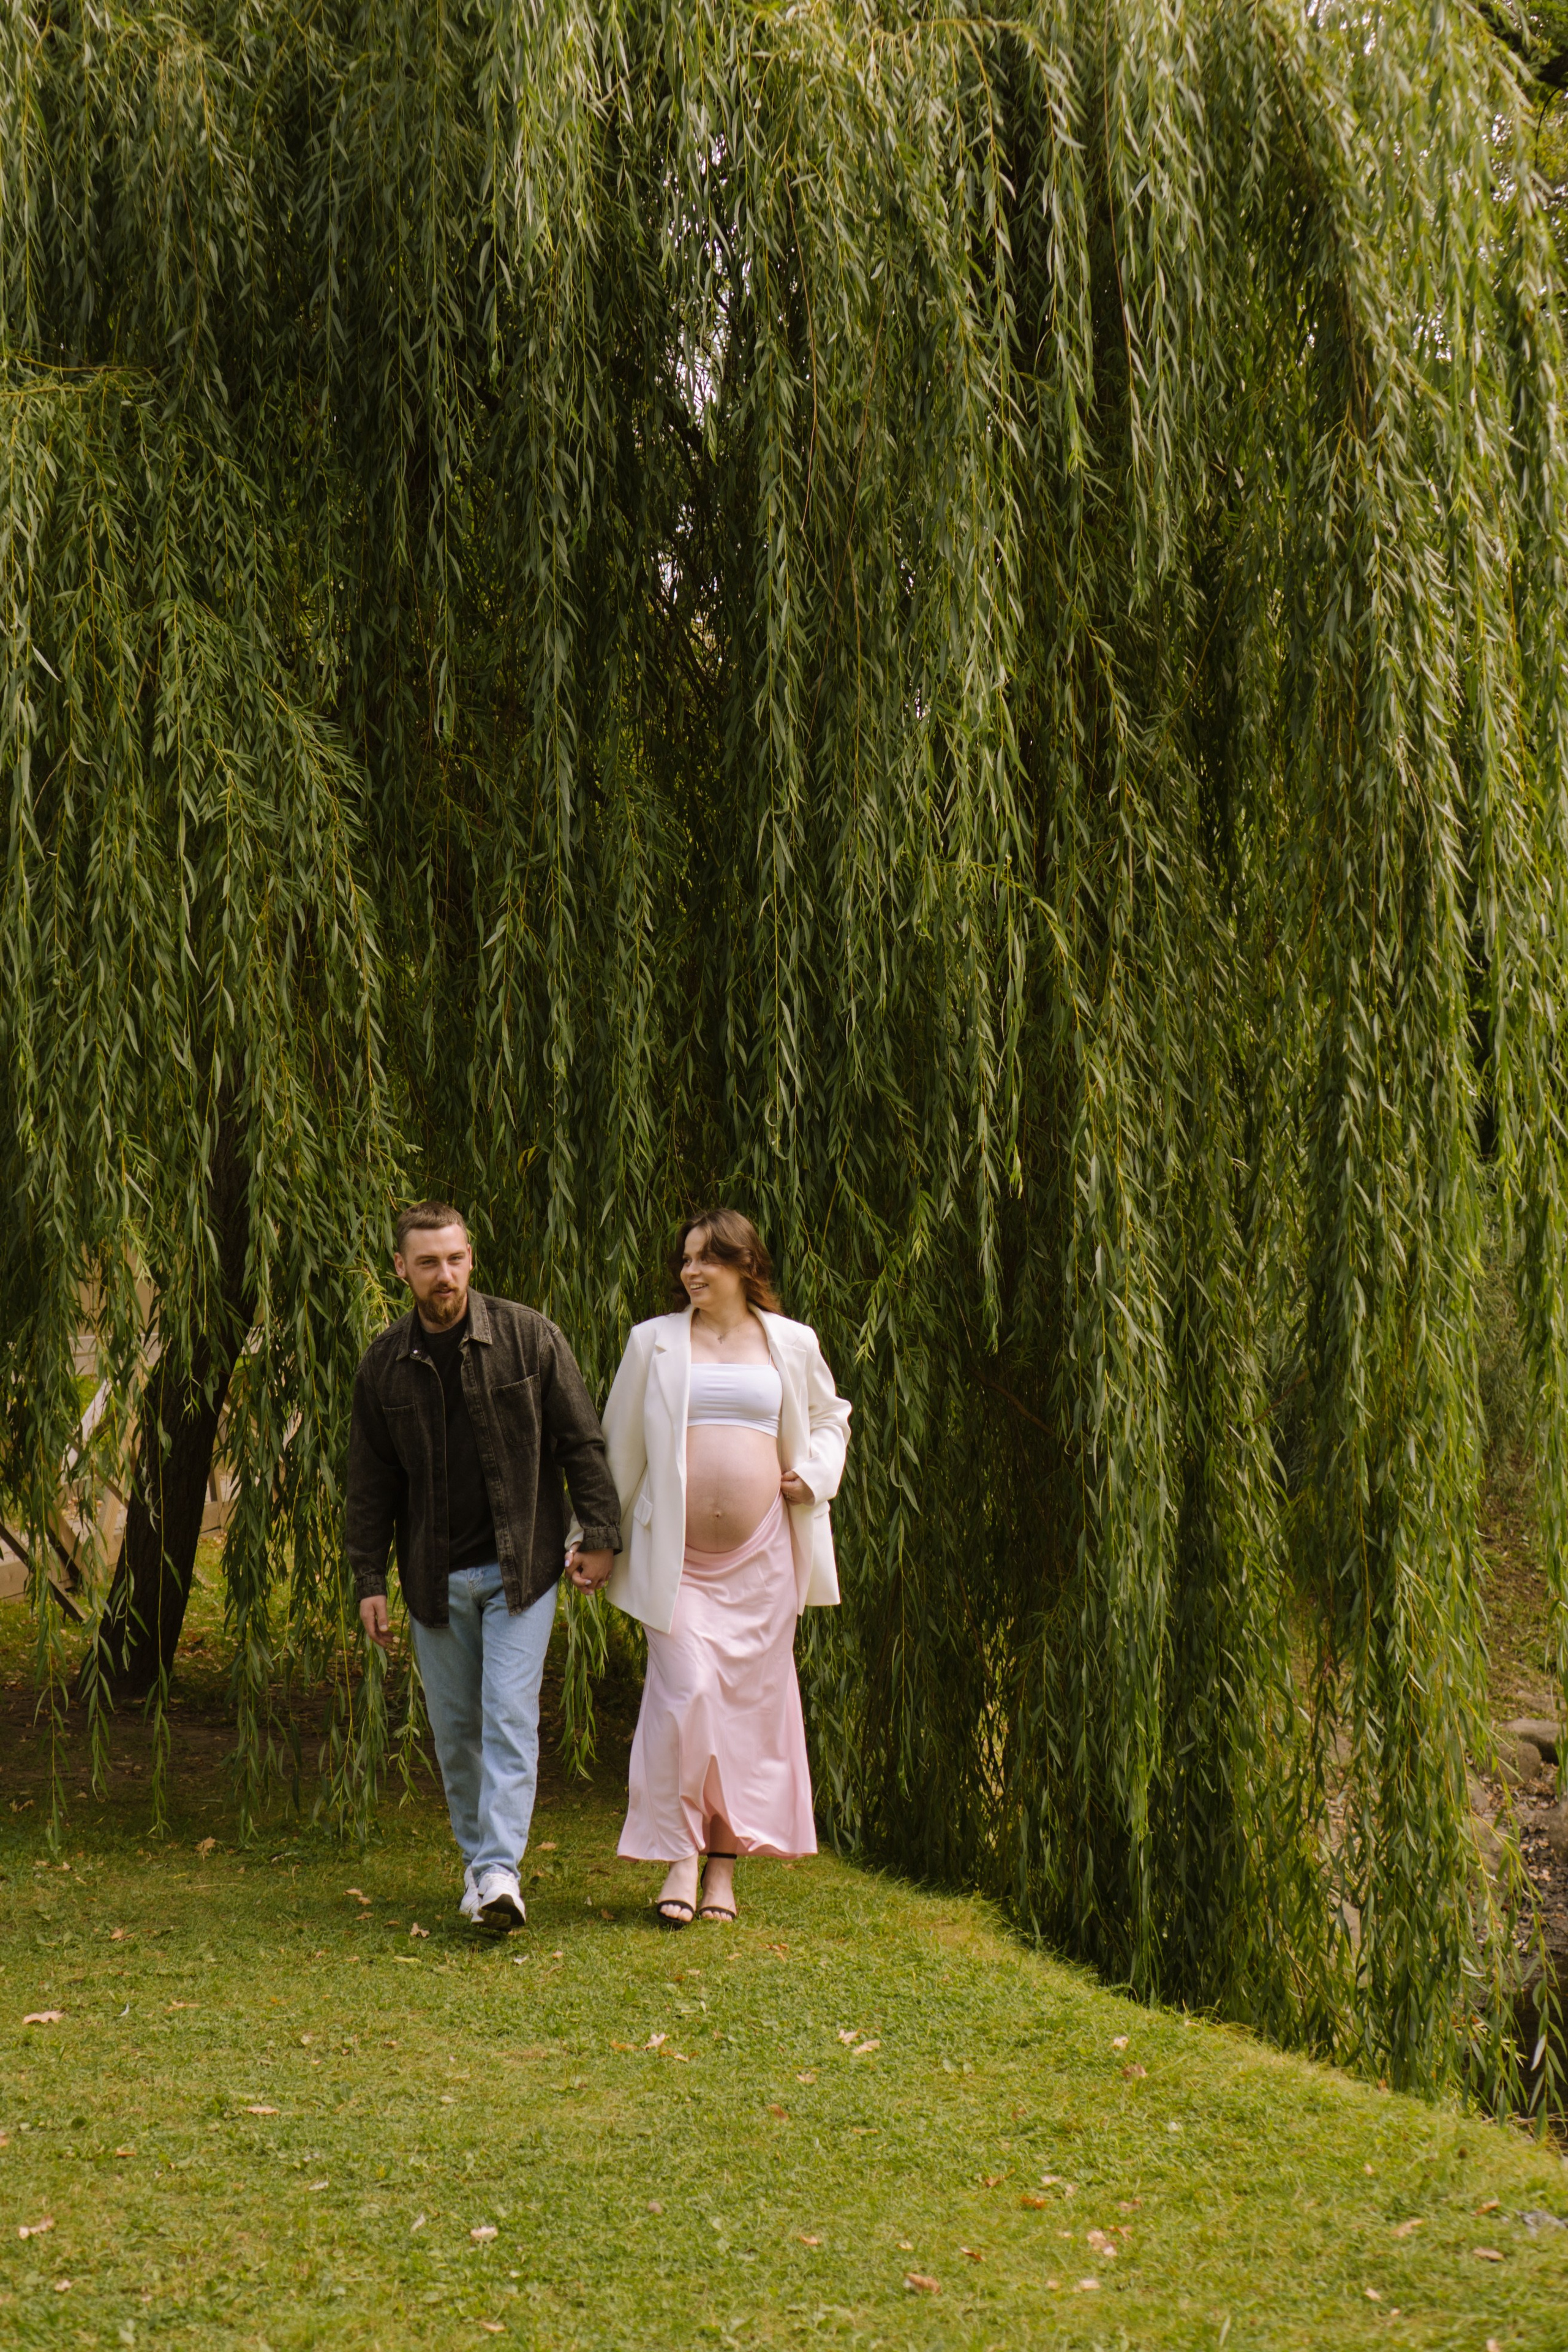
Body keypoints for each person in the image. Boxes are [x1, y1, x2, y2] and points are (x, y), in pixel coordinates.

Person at [567, 1210, 851, 1926]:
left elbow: (830, 1418)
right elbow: (618, 1447)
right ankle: (679, 1855)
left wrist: (814, 1473)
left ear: (744, 1266)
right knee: (686, 1696)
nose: (692, 1271)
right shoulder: (653, 1343)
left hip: (762, 1562)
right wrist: (593, 1537)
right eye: (687, 1259)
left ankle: (721, 1873)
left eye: (708, 1260)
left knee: (747, 1717)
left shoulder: (791, 1342)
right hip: (679, 1562)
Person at [347, 1203, 622, 1929]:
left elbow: (580, 1442)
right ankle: (482, 1871)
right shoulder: (383, 1363)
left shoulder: (528, 1337)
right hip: (433, 1579)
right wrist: (369, 1580)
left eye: (456, 1258)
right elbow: (370, 1483)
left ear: (472, 1257)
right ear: (401, 1269)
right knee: (456, 1727)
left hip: (520, 1568)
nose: (446, 1275)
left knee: (507, 1714)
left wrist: (598, 1530)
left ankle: (499, 1870)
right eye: (429, 1263)